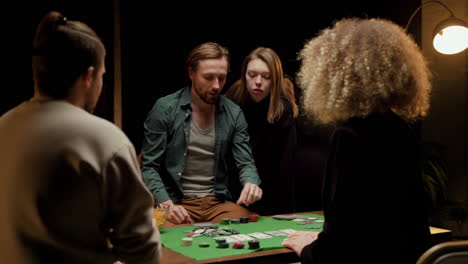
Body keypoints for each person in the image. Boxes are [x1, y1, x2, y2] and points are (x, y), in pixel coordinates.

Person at [0, 11, 160, 264]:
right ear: (88, 76)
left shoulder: (4, 125)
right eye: (102, 76)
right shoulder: (105, 139)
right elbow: (143, 250)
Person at [282, 18, 433, 264]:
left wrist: (310, 249)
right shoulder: (401, 129)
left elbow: (345, 245)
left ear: (333, 75)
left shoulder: (350, 137)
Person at [141, 42, 262, 225]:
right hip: (176, 201)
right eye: (209, 77)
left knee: (253, 226)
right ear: (191, 73)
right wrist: (166, 204)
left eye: (221, 78)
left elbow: (246, 163)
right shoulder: (165, 108)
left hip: (217, 204)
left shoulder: (234, 113)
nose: (216, 85)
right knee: (157, 235)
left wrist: (251, 183)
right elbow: (149, 166)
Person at [224, 47, 299, 215]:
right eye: (252, 75)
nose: (258, 82)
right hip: (232, 194)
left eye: (267, 77)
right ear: (244, 75)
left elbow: (285, 170)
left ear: (275, 80)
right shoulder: (232, 98)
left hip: (270, 197)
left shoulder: (282, 110)